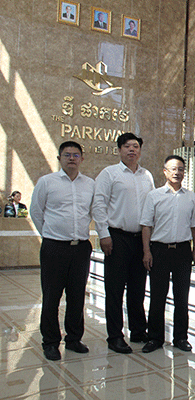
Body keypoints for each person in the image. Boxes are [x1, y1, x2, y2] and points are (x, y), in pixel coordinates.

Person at [30, 141, 94, 361]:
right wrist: (50, 235)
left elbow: (93, 211)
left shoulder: (90, 184)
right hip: (54, 248)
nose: (71, 158)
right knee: (52, 296)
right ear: (59, 158)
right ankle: (50, 342)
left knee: (77, 295)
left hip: (81, 248)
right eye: (67, 155)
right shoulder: (47, 182)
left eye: (76, 155)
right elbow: (36, 211)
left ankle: (74, 339)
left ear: (82, 159)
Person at [93, 132, 155, 354]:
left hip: (140, 240)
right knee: (115, 289)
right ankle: (115, 336)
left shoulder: (147, 176)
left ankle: (138, 331)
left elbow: (151, 208)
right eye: (127, 146)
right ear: (119, 150)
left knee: (138, 289)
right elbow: (98, 204)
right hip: (116, 238)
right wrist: (103, 234)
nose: (132, 150)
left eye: (135, 146)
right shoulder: (109, 174)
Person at [140, 155, 195, 353]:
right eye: (173, 169)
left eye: (181, 169)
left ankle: (181, 337)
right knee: (158, 297)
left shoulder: (190, 197)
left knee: (182, 297)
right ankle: (155, 338)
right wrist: (146, 251)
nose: (177, 172)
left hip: (182, 251)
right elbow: (146, 226)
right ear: (165, 171)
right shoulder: (154, 196)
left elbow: (194, 226)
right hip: (159, 250)